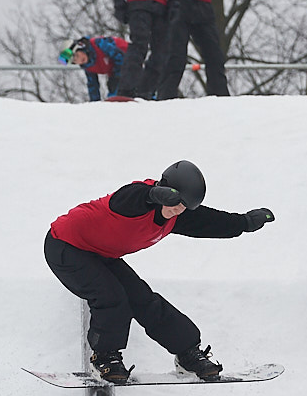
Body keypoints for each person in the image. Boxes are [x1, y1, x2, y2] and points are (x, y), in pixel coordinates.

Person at [44, 160, 275, 383]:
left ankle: (187, 353)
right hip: (65, 245)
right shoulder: (133, 201)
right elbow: (132, 196)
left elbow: (211, 221)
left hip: (101, 254)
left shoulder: (175, 216)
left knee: (143, 299)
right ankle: (104, 358)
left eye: (184, 206)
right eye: (175, 202)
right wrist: (152, 194)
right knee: (111, 296)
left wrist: (245, 222)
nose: (178, 209)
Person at [58, 35, 128, 101]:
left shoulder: (98, 44)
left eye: (77, 55)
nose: (79, 60)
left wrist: (116, 78)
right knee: (113, 90)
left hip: (130, 59)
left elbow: (121, 58)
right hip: (120, 73)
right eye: (75, 61)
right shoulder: (88, 66)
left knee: (117, 88)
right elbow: (93, 85)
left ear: (80, 48)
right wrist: (95, 104)